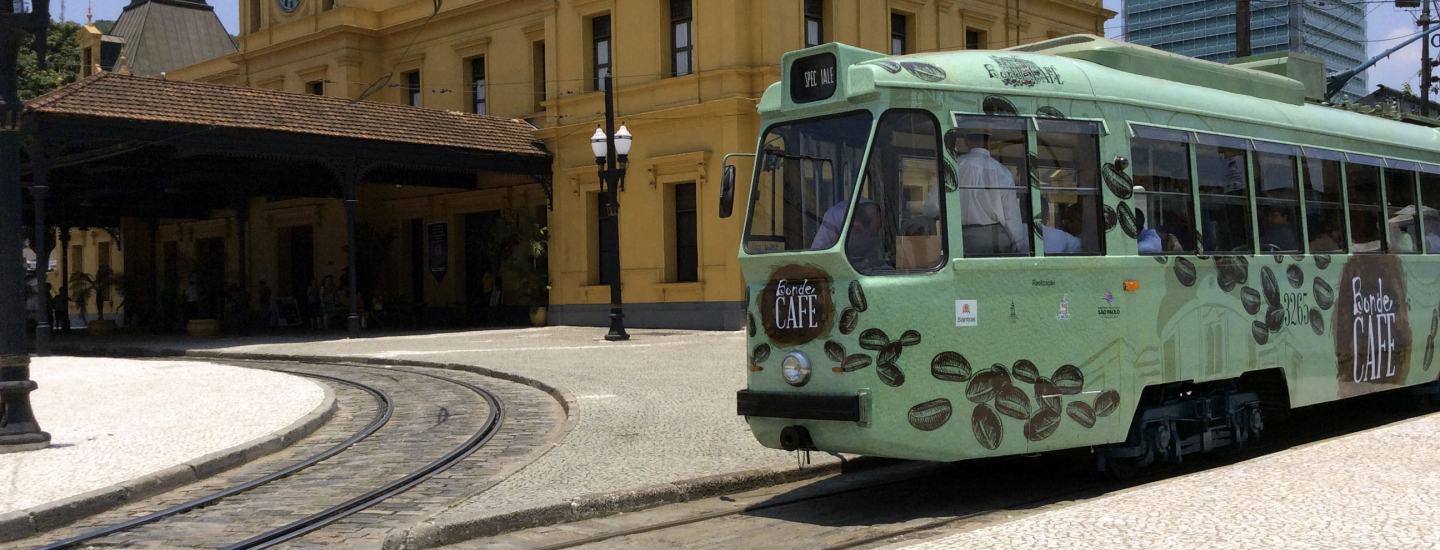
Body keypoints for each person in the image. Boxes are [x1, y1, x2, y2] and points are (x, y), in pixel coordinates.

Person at [954, 133, 1028, 255]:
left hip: (964, 238)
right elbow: (1011, 214)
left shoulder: (955, 167)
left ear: (966, 142)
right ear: (989, 143)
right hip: (997, 239)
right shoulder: (1003, 171)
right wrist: (1017, 243)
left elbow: (933, 207)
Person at [845, 201, 889, 270]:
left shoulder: (879, 234)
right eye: (872, 215)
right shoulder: (842, 231)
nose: (878, 220)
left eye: (877, 215)